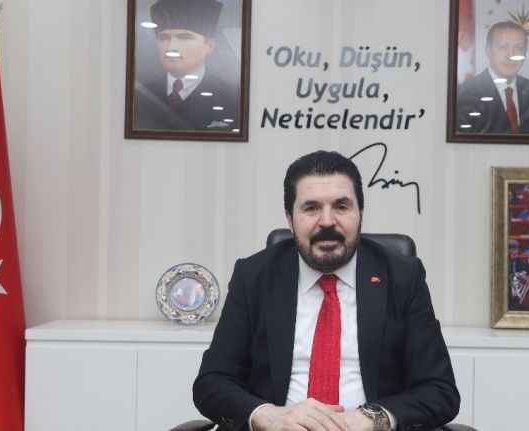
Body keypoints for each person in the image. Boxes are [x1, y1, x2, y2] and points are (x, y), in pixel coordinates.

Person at [193, 151, 460, 431]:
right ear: (290, 219)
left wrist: (371, 419)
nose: (327, 221)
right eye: (311, 208)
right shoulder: (254, 276)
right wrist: (270, 417)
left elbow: (440, 390)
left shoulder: (402, 277)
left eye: (341, 207)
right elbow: (212, 382)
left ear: (361, 214)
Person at [133, 0, 240, 131]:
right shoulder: (140, 96)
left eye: (185, 37)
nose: (171, 47)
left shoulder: (233, 98)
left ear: (210, 45)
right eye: (164, 38)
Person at [456, 21, 529, 134]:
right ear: (488, 51)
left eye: (518, 47)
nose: (511, 55)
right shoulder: (465, 92)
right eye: (503, 47)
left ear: (525, 53)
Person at [508, 239, 529, 310]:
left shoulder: (524, 264)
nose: (514, 251)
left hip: (519, 294)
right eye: (512, 249)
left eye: (516, 249)